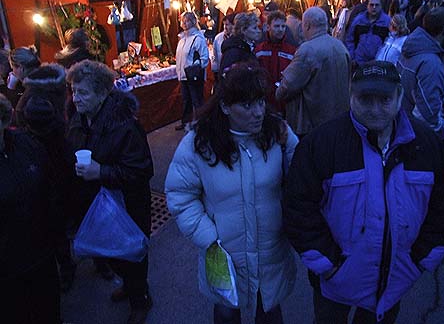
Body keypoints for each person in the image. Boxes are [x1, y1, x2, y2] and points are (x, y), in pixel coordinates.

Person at [283, 60, 444, 324]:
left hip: (394, 282)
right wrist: (329, 265)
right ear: (351, 96)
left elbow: (441, 207)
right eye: (365, 99)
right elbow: (298, 207)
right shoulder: (323, 143)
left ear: (399, 96)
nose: (375, 110)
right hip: (335, 284)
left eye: (384, 99)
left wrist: (418, 260)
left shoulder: (426, 146)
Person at [165, 64, 298, 324]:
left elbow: (303, 179)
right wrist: (209, 237)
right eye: (247, 106)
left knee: (269, 311)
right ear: (225, 106)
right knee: (226, 312)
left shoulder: (278, 134)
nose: (258, 112)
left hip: (270, 250)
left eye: (260, 102)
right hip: (223, 253)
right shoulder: (199, 143)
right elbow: (180, 194)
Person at [65, 60, 154, 324]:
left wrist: (101, 172)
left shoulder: (125, 124)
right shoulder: (79, 118)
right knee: (113, 252)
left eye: (83, 92)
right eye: (73, 90)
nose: (76, 98)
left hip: (128, 203)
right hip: (98, 201)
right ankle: (129, 286)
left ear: (103, 94)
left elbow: (142, 170)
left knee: (133, 254)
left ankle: (141, 299)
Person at [1, 93, 62, 324]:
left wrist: (56, 237)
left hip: (41, 253)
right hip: (7, 268)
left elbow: (49, 187)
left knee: (48, 310)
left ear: (5, 121)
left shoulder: (25, 144)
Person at [276, 6, 351, 138]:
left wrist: (278, 92)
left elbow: (288, 85)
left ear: (307, 25)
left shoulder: (307, 50)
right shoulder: (340, 46)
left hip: (312, 123)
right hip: (339, 119)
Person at [397, 7, 444, 141]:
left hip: (405, 123)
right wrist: (443, 132)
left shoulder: (411, 48)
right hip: (419, 136)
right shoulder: (430, 63)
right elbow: (428, 112)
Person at [254, 10, 297, 114]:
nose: (281, 30)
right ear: (268, 27)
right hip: (265, 101)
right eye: (276, 26)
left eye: (283, 26)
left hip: (285, 102)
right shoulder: (259, 50)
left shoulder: (292, 51)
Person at [175, 12, 209, 131]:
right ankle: (186, 123)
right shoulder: (182, 39)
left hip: (193, 76)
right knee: (186, 101)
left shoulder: (198, 39)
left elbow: (204, 57)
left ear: (193, 22)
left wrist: (195, 67)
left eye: (187, 21)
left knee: (197, 101)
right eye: (182, 21)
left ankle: (202, 123)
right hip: (184, 76)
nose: (184, 23)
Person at [346, 0, 391, 66]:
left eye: (376, 5)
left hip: (378, 63)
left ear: (380, 6)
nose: (374, 7)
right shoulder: (358, 20)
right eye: (371, 5)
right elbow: (350, 39)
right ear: (367, 6)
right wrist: (352, 57)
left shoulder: (387, 22)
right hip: (359, 62)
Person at [211, 13, 235, 85]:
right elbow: (215, 55)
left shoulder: (238, 38)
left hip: (234, 73)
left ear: (234, 25)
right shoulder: (218, 38)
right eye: (224, 24)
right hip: (220, 72)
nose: (225, 27)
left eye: (227, 24)